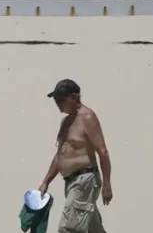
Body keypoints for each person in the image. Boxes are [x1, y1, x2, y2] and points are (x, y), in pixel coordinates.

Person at [37, 80, 111, 233]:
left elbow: (102, 152)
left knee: (69, 229)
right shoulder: (66, 122)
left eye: (61, 99)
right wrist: (46, 182)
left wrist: (107, 184)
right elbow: (60, 156)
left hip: (84, 181)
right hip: (71, 183)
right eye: (56, 99)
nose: (57, 103)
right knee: (93, 230)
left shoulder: (87, 118)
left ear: (74, 97)